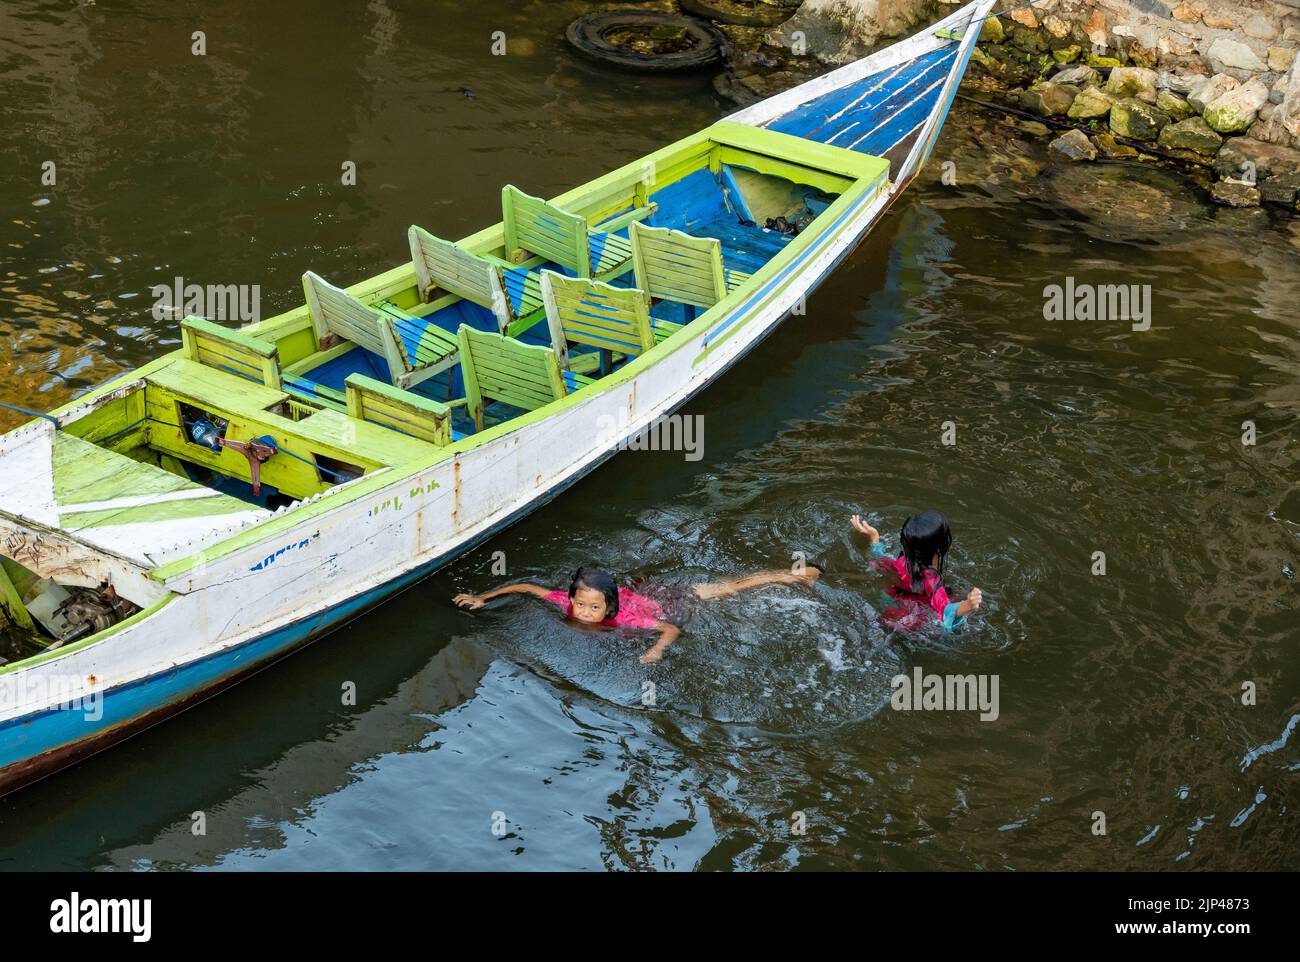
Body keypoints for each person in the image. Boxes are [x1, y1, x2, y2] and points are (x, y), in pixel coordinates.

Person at [453, 564, 820, 663]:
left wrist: (655, 650)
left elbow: (668, 630)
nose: (583, 613)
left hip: (674, 600)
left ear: (608, 608)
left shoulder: (625, 619)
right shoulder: (566, 603)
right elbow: (527, 588)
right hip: (639, 594)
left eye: (593, 608)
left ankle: (794, 575)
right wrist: (484, 598)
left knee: (728, 589)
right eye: (580, 604)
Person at [850, 510, 982, 631]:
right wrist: (966, 606)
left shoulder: (903, 561)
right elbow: (945, 610)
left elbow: (879, 562)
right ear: (941, 547)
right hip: (912, 617)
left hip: (891, 598)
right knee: (954, 598)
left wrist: (874, 538)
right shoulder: (931, 579)